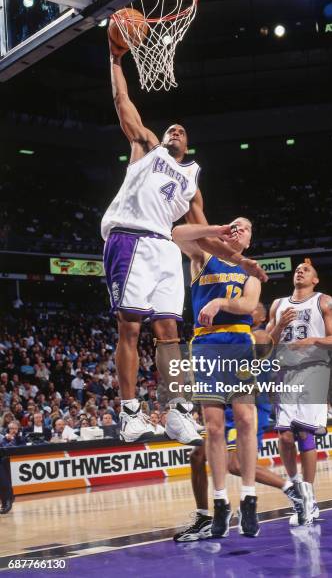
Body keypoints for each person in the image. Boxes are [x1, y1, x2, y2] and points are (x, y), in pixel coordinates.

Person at [101, 34, 268, 446]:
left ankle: (177, 411)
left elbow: (204, 236)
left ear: (188, 143)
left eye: (181, 129)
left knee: (170, 331)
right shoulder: (148, 147)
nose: (174, 129)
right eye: (171, 127)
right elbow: (123, 105)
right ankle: (130, 413)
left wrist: (241, 261)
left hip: (164, 248)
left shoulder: (192, 181)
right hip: (130, 238)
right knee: (130, 327)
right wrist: (116, 60)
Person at [174, 310, 305, 543]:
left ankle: (292, 490)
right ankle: (204, 518)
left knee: (235, 465)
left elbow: (265, 345)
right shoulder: (228, 336)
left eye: (251, 308)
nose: (241, 310)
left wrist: (277, 328)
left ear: (261, 316)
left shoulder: (257, 335)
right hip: (225, 405)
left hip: (250, 407)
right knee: (197, 457)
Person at [172, 218, 262, 538]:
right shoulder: (203, 256)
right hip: (207, 344)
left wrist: (220, 301)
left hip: (238, 342)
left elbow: (249, 305)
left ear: (250, 240)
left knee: (246, 419)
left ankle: (249, 499)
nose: (238, 229)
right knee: (213, 427)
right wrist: (215, 230)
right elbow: (177, 233)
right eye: (234, 225)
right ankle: (221, 502)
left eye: (244, 228)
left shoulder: (250, 268)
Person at [266, 260, 332, 525]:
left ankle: (310, 497)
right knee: (285, 436)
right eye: (297, 269)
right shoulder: (277, 304)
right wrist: (278, 326)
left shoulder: (324, 301)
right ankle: (298, 490)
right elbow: (265, 342)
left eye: (306, 269)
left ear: (315, 279)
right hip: (285, 373)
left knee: (304, 431)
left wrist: (312, 340)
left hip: (315, 368)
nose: (300, 271)